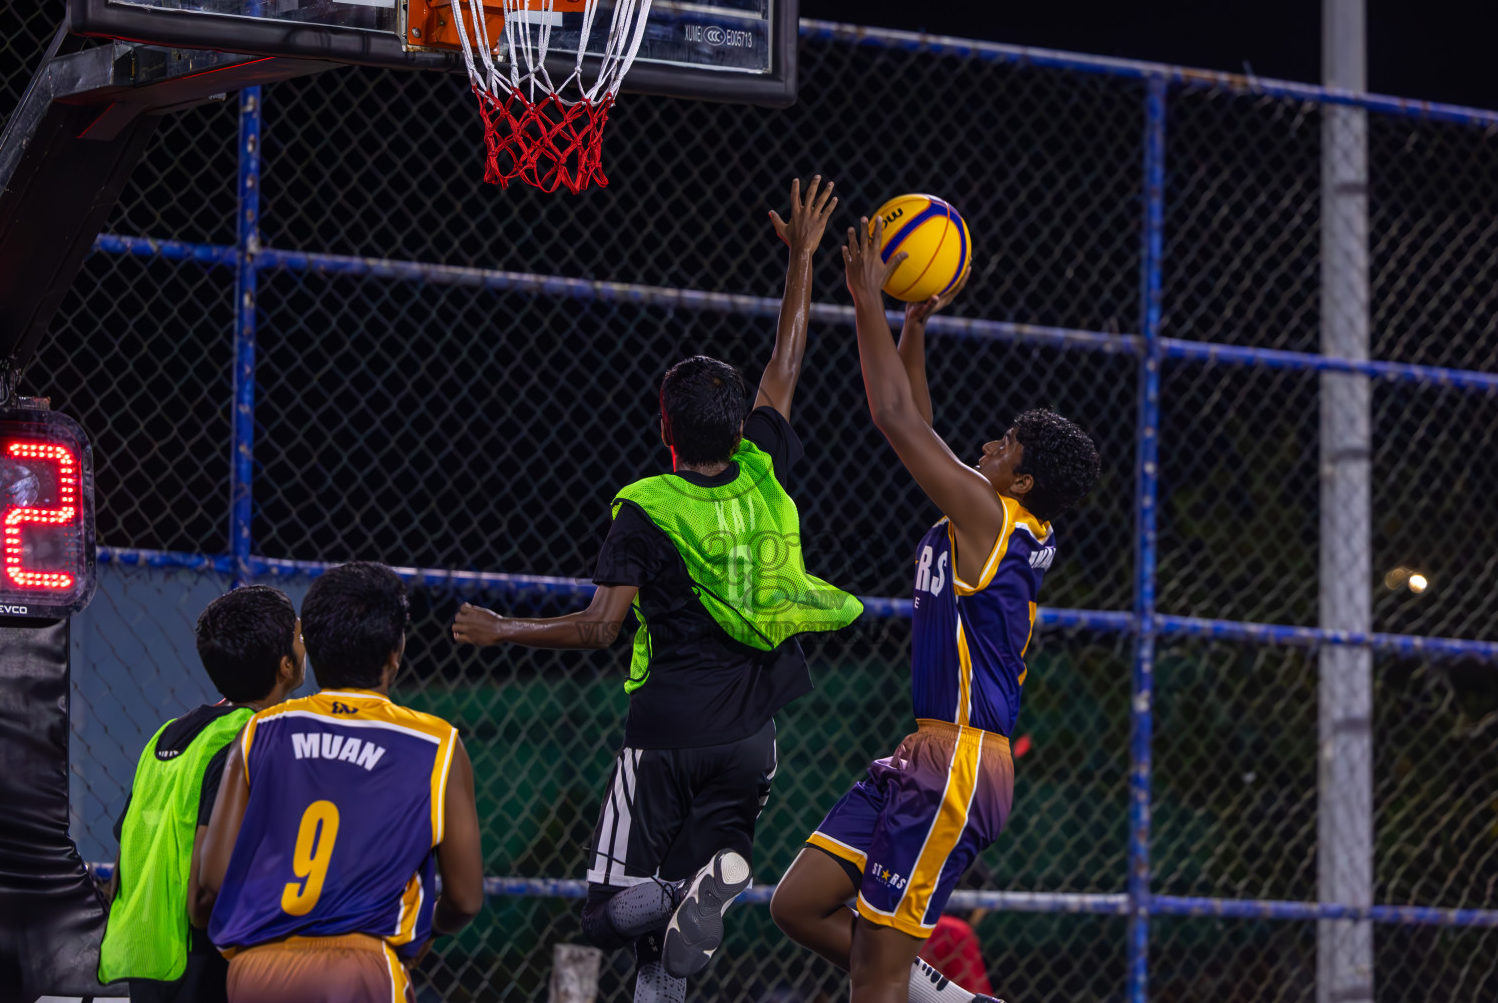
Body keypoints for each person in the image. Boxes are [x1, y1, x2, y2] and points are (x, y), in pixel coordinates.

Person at [452, 176, 858, 1003]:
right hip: (751, 741)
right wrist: (803, 262)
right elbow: (788, 361)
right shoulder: (763, 472)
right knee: (667, 958)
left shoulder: (646, 510)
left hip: (666, 731)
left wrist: (504, 632)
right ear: (739, 425)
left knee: (605, 912)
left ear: (664, 430)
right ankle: (692, 895)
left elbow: (603, 629)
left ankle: (679, 894)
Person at [769, 218, 1102, 1003]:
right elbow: (918, 416)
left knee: (876, 978)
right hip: (928, 754)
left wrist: (863, 298)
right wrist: (911, 322)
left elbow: (895, 418)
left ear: (1018, 481)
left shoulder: (991, 519)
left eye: (1007, 443)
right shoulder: (995, 517)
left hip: (957, 764)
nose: (988, 443)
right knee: (800, 904)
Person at [198, 561, 485, 1002]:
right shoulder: (436, 743)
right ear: (395, 652)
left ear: (309, 649)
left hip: (256, 970)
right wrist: (429, 930)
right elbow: (465, 899)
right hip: (361, 967)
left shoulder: (261, 730)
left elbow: (214, 877)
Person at [98, 584, 307, 1003]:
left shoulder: (168, 733)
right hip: (204, 968)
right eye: (301, 637)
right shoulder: (253, 739)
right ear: (285, 666)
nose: (306, 645)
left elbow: (121, 869)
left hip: (141, 961)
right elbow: (203, 900)